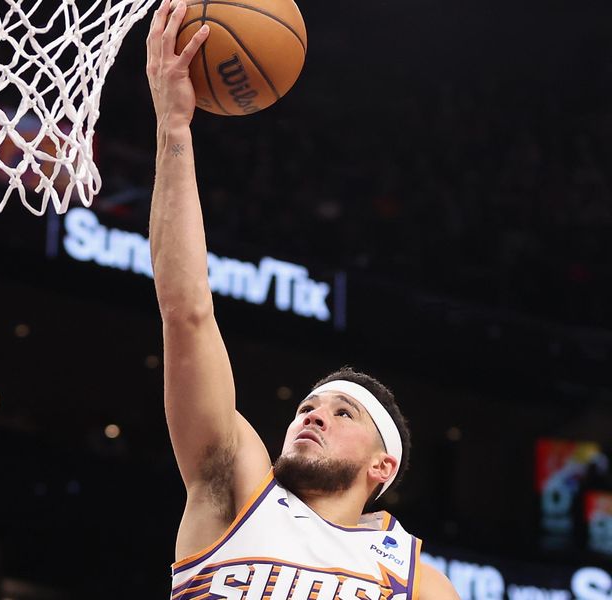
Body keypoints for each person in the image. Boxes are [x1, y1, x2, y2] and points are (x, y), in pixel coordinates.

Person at [146, 1, 459, 597]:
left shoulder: (416, 580)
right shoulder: (237, 490)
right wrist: (173, 127)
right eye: (309, 407)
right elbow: (186, 313)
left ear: (382, 467)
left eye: (343, 413)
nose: (312, 415)